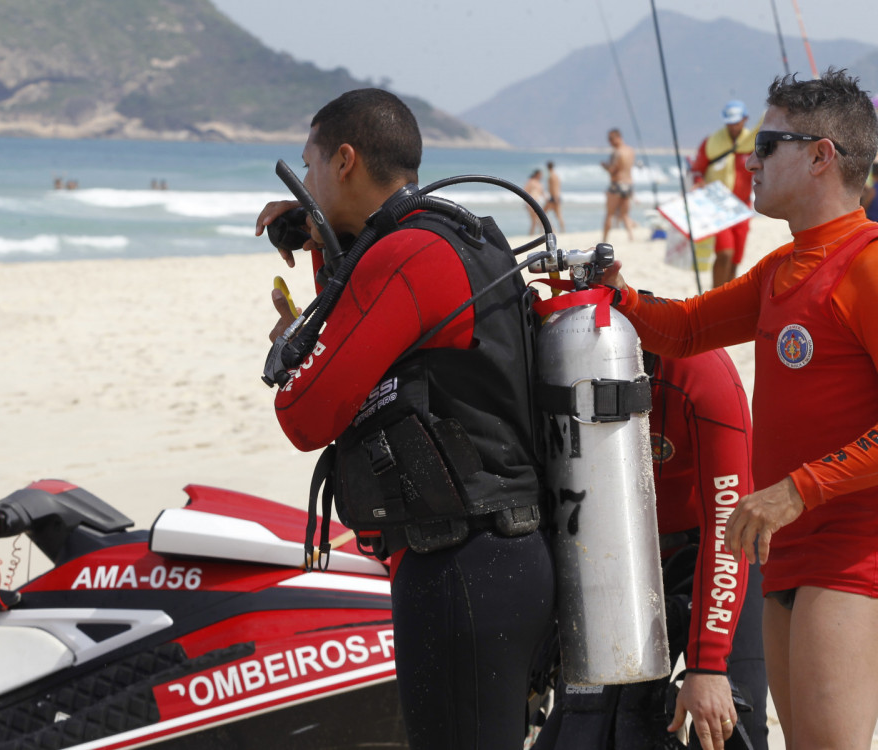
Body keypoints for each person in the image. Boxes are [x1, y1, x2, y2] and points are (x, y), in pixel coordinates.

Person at [254, 89, 553, 749]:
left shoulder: (404, 256)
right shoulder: (455, 234)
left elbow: (305, 413)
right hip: (506, 555)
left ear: (345, 161)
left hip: (460, 567)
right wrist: (324, 246)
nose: (303, 184)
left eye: (308, 167)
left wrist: (295, 338)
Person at [601, 69, 878, 750]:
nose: (748, 160)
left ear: (822, 155)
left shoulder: (866, 265)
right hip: (783, 544)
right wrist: (618, 295)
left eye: (766, 143)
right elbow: (683, 329)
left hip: (852, 547)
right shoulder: (785, 266)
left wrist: (795, 490)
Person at [533, 348, 767, 750]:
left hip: (713, 545)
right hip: (612, 554)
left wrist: (707, 666)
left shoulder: (699, 370)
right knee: (590, 726)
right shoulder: (557, 359)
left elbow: (729, 522)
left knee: (731, 721)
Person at [691, 100, 760, 288]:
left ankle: (726, 297)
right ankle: (714, 296)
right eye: (729, 122)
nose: (732, 126)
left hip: (742, 207)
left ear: (745, 119)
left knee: (736, 260)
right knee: (725, 254)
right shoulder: (711, 142)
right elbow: (697, 170)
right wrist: (698, 183)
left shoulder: (753, 142)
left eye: (736, 121)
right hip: (717, 207)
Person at [602, 128, 636, 242]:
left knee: (609, 214)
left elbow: (613, 170)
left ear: (618, 138)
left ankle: (604, 239)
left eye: (611, 139)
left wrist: (604, 166)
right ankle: (631, 237)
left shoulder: (616, 152)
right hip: (629, 184)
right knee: (625, 214)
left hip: (617, 185)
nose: (609, 142)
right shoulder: (630, 150)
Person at [543, 161, 565, 232]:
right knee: (558, 215)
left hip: (554, 197)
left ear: (547, 167)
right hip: (555, 196)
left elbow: (554, 187)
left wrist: (555, 197)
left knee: (543, 213)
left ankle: (554, 229)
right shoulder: (556, 175)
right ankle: (561, 229)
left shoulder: (552, 176)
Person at [525, 169, 546, 234]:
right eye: (540, 174)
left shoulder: (539, 183)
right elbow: (525, 191)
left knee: (539, 220)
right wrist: (527, 202)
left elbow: (542, 194)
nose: (541, 176)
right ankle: (533, 234)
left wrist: (548, 200)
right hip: (531, 203)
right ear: (537, 174)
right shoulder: (531, 181)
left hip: (537, 203)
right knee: (535, 220)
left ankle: (540, 233)